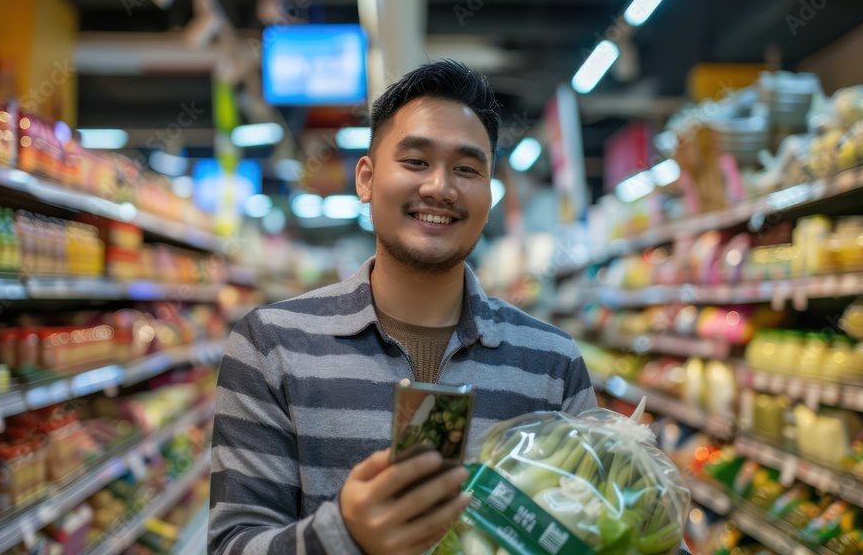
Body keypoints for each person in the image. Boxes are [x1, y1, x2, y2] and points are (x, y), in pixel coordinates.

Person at [209, 60, 597, 555]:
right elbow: (231, 543)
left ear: (489, 191)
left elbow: (597, 518)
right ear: (366, 179)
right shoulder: (270, 344)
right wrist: (346, 535)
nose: (440, 186)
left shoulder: (553, 362)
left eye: (467, 168)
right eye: (415, 161)